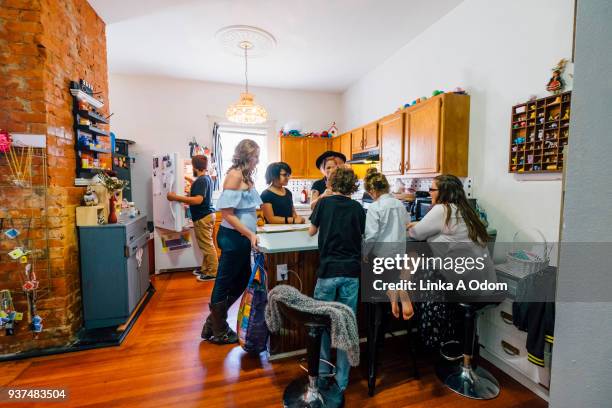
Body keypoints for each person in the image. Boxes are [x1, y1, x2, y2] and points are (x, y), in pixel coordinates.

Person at [408, 174, 496, 349]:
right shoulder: (466, 210)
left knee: (419, 274)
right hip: (483, 281)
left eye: (432, 190)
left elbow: (415, 234)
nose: (429, 193)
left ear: (444, 193)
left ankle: (434, 334)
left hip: (463, 286)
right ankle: (450, 339)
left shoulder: (442, 210)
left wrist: (414, 226)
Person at [309, 166, 365, 391]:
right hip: (351, 273)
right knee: (345, 325)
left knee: (321, 323)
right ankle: (342, 381)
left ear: (331, 183)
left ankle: (322, 373)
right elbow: (362, 235)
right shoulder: (358, 208)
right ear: (353, 186)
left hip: (328, 272)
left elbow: (312, 231)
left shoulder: (324, 203)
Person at [201, 139, 262, 344]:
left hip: (241, 237)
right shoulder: (235, 176)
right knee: (224, 281)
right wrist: (250, 233)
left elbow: (245, 207)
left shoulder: (245, 175)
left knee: (244, 277)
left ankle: (213, 321)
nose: (258, 160)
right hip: (234, 237)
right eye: (255, 156)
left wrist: (253, 229)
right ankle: (219, 330)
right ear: (246, 156)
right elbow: (227, 213)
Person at [362, 168, 413, 320]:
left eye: (369, 193)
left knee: (376, 293)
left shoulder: (375, 207)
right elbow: (406, 225)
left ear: (373, 190)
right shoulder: (399, 204)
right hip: (398, 257)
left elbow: (371, 236)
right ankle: (397, 290)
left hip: (380, 259)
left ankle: (377, 322)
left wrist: (364, 253)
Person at [167, 155, 217, 281]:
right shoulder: (206, 178)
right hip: (207, 215)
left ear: (196, 167)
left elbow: (198, 200)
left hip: (202, 217)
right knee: (205, 245)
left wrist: (175, 198)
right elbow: (198, 187)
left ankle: (213, 272)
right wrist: (186, 178)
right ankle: (206, 268)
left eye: (192, 166)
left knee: (207, 246)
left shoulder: (201, 181)